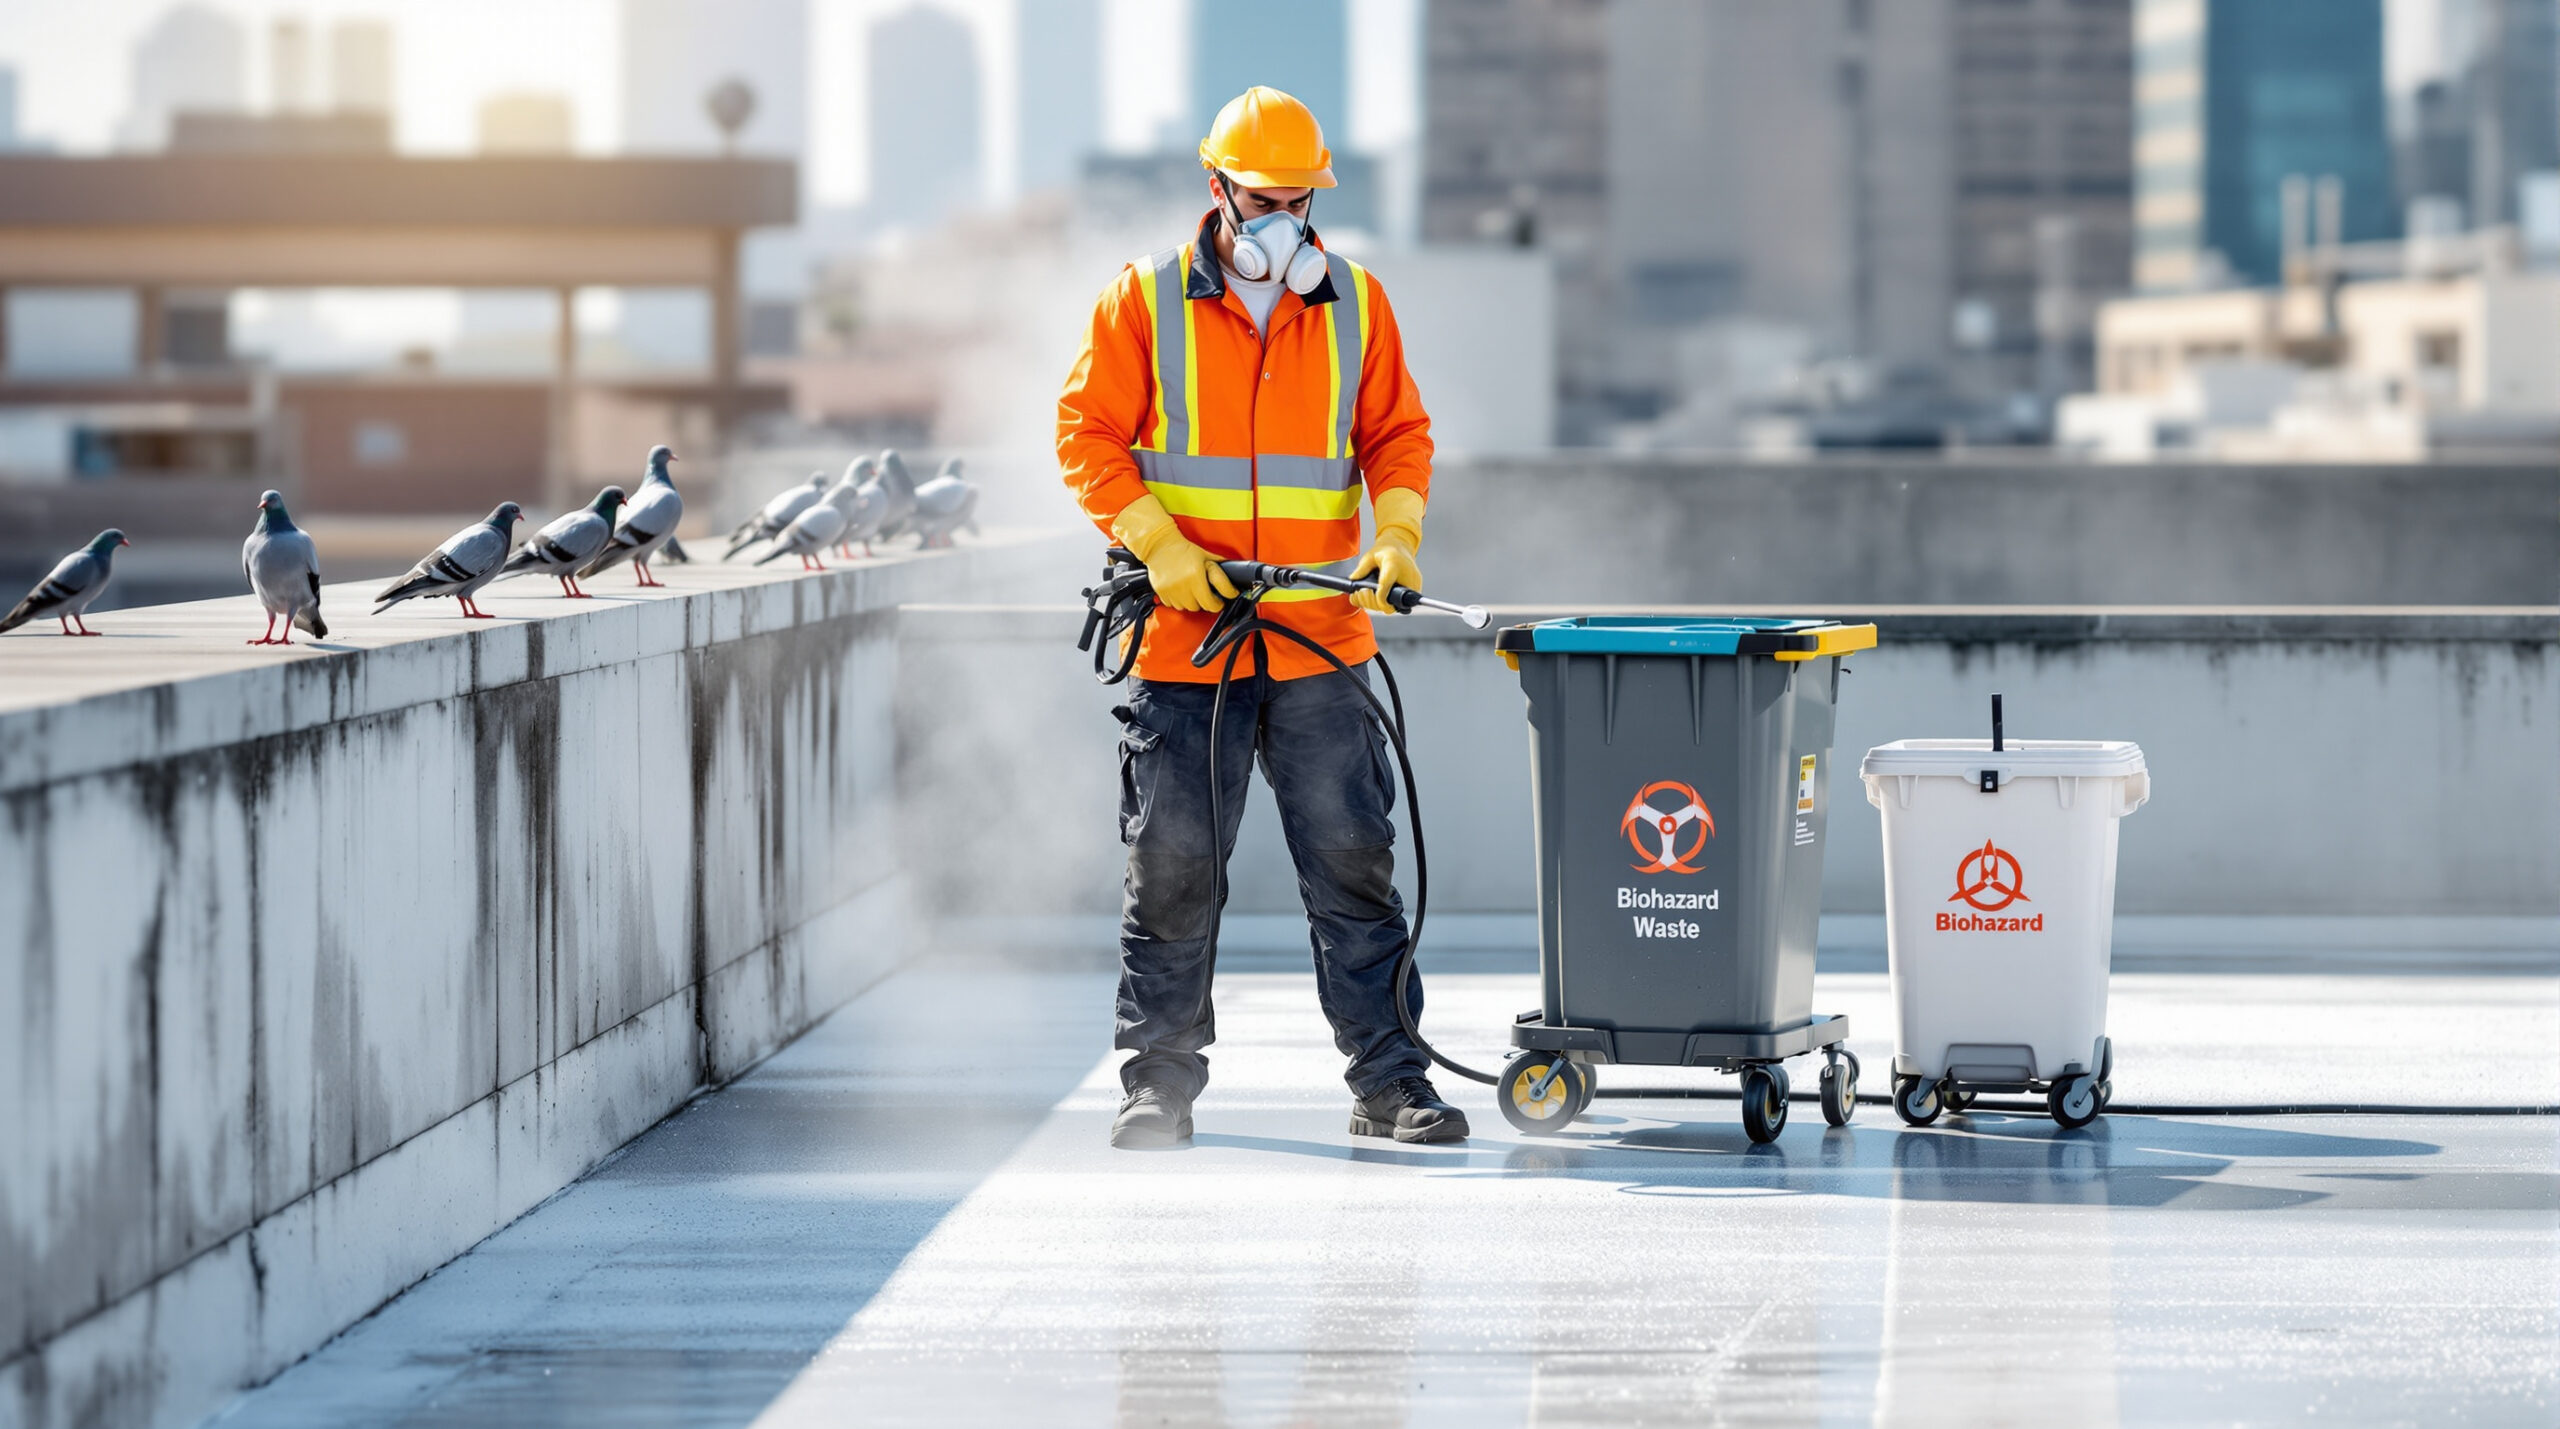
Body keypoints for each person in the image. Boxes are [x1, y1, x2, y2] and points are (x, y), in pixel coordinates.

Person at [1056, 86, 1463, 1150]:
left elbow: (1397, 436)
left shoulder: (1358, 305)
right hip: (1186, 641)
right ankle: (1158, 1088)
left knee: (1352, 864)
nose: (1283, 219)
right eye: (1262, 197)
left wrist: (1399, 536)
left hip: (1320, 640)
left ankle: (1391, 1085)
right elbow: (1086, 434)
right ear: (1217, 190)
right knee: (1174, 868)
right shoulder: (1142, 302)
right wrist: (1160, 544)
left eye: (1300, 198)